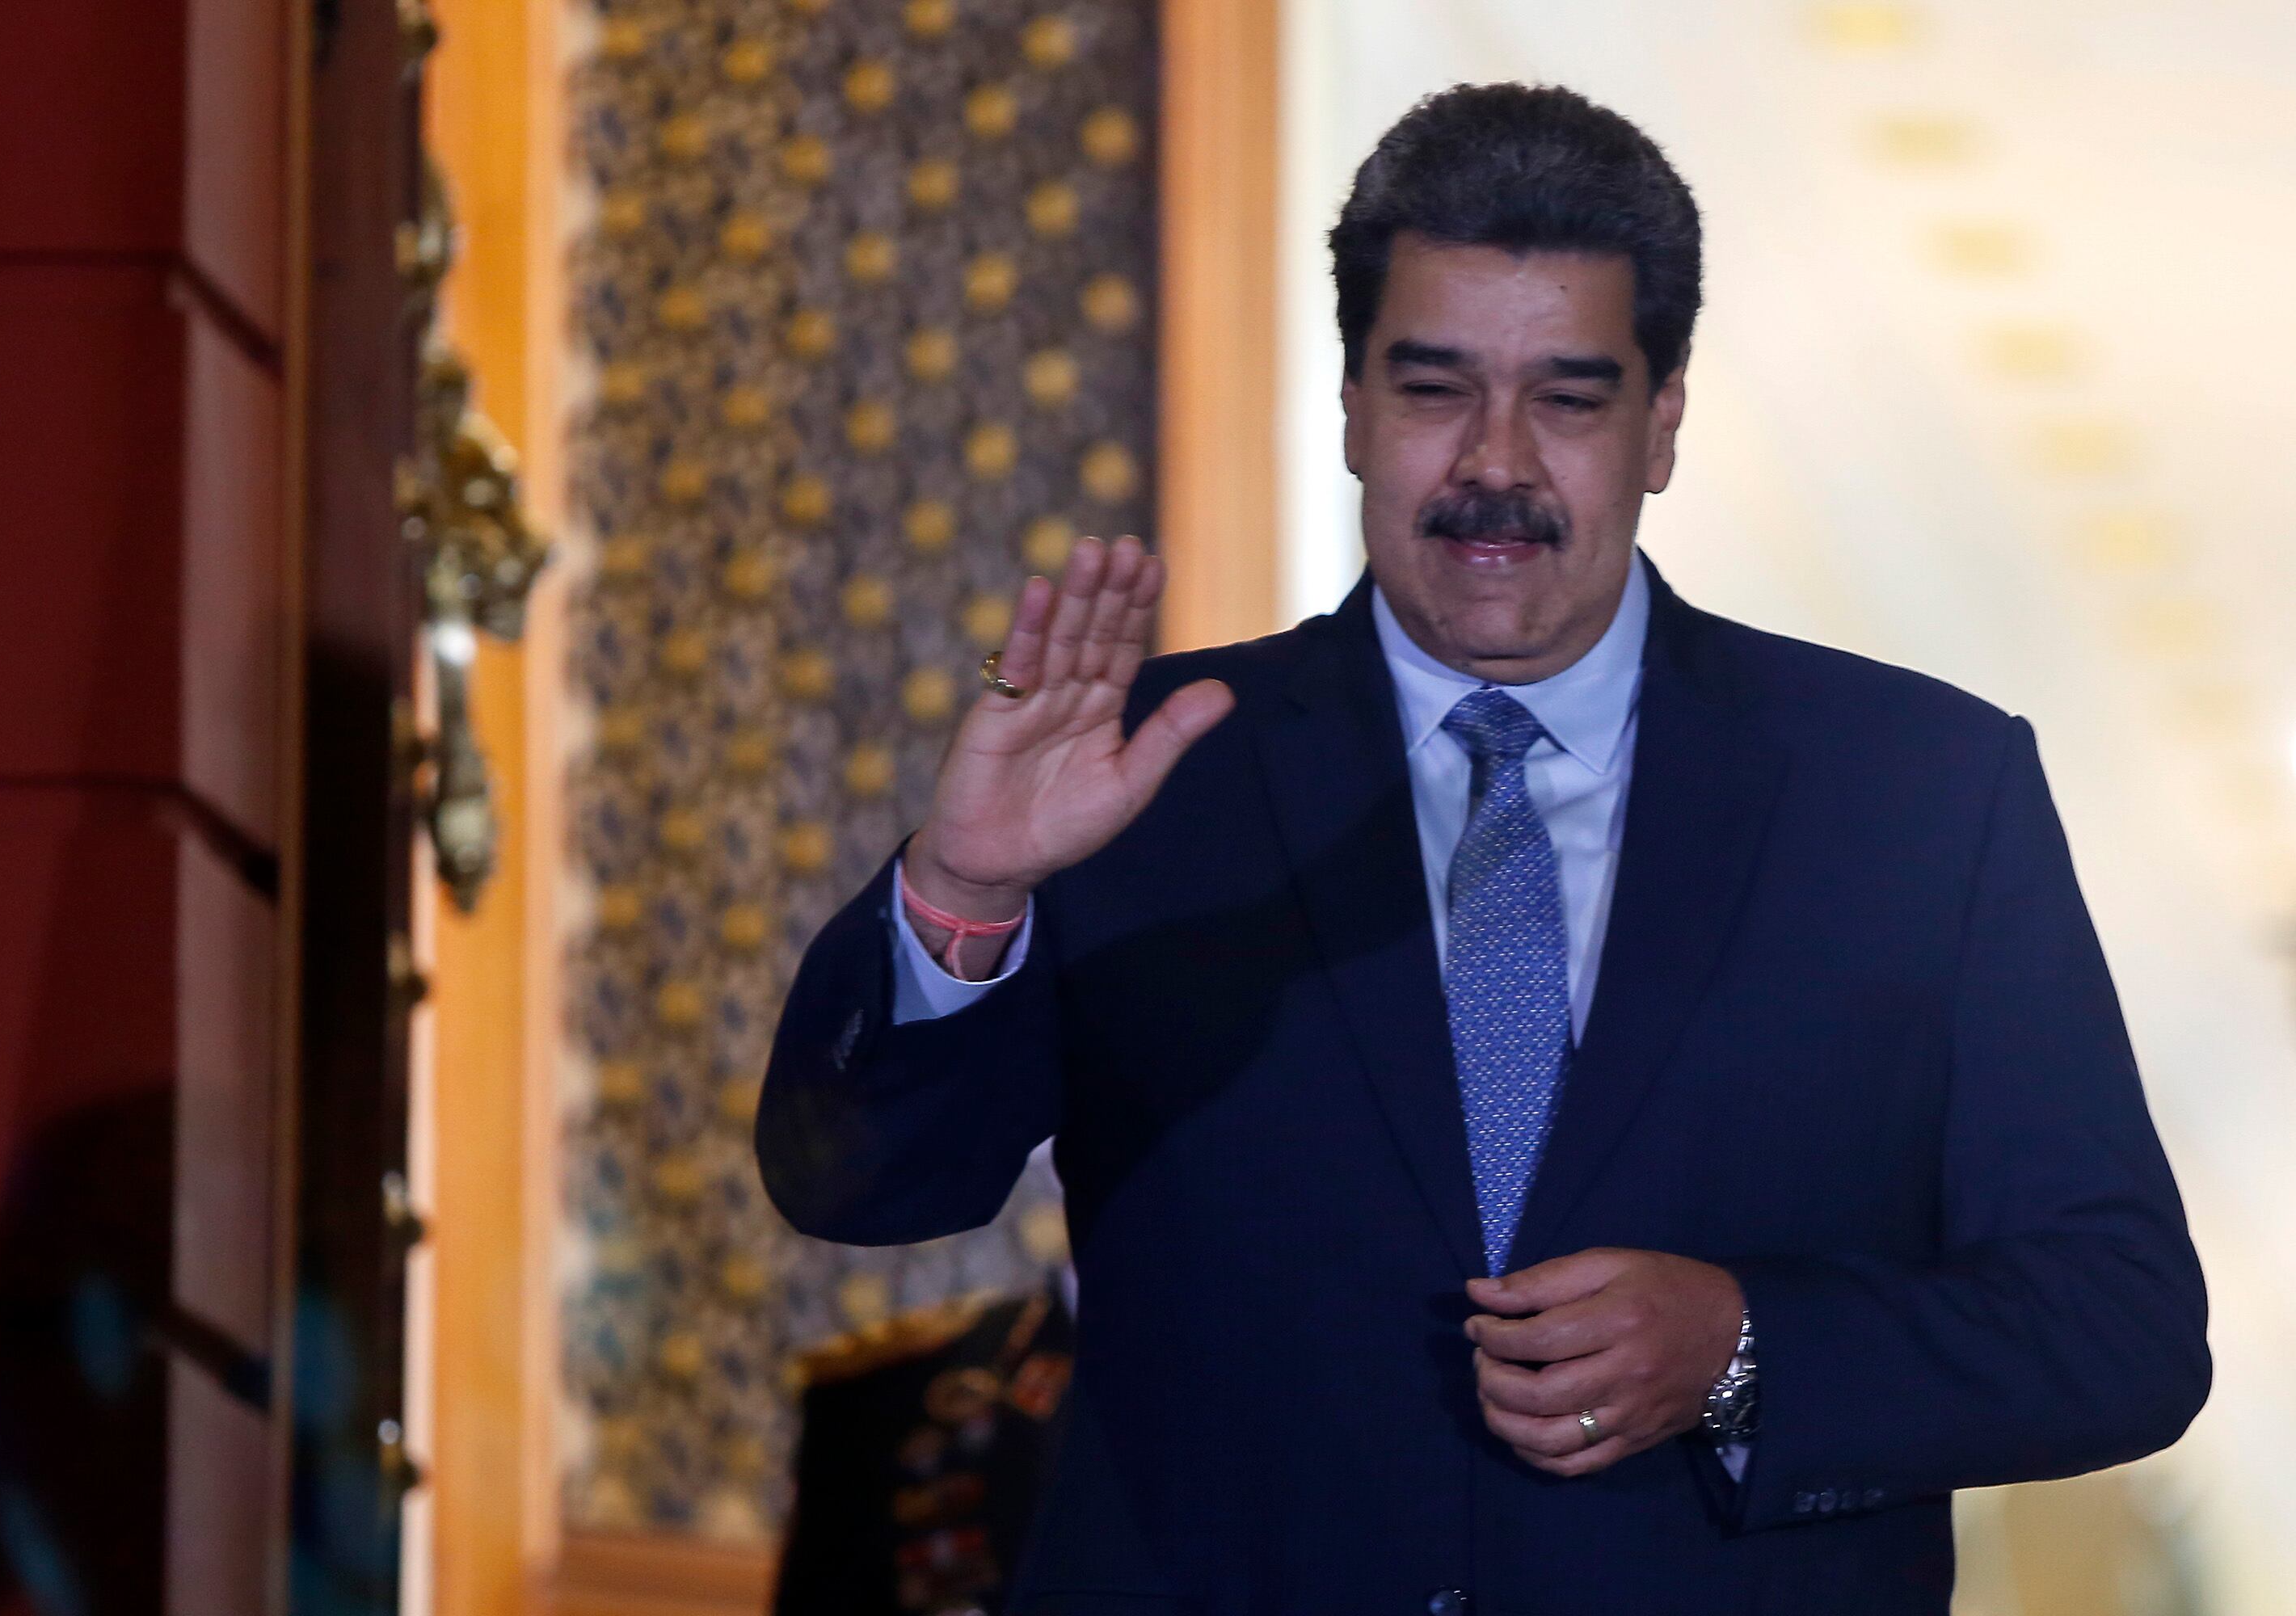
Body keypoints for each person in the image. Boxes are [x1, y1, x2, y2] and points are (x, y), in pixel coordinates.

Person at [756, 83, 2209, 1614]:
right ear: (1351, 408)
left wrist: (1744, 1350)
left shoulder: (1919, 791)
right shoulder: (1138, 769)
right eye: (1435, 390)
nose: (1494, 465)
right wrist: (967, 889)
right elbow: (856, 1188)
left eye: (1568, 400)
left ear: (1660, 425)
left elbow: (2117, 1329)